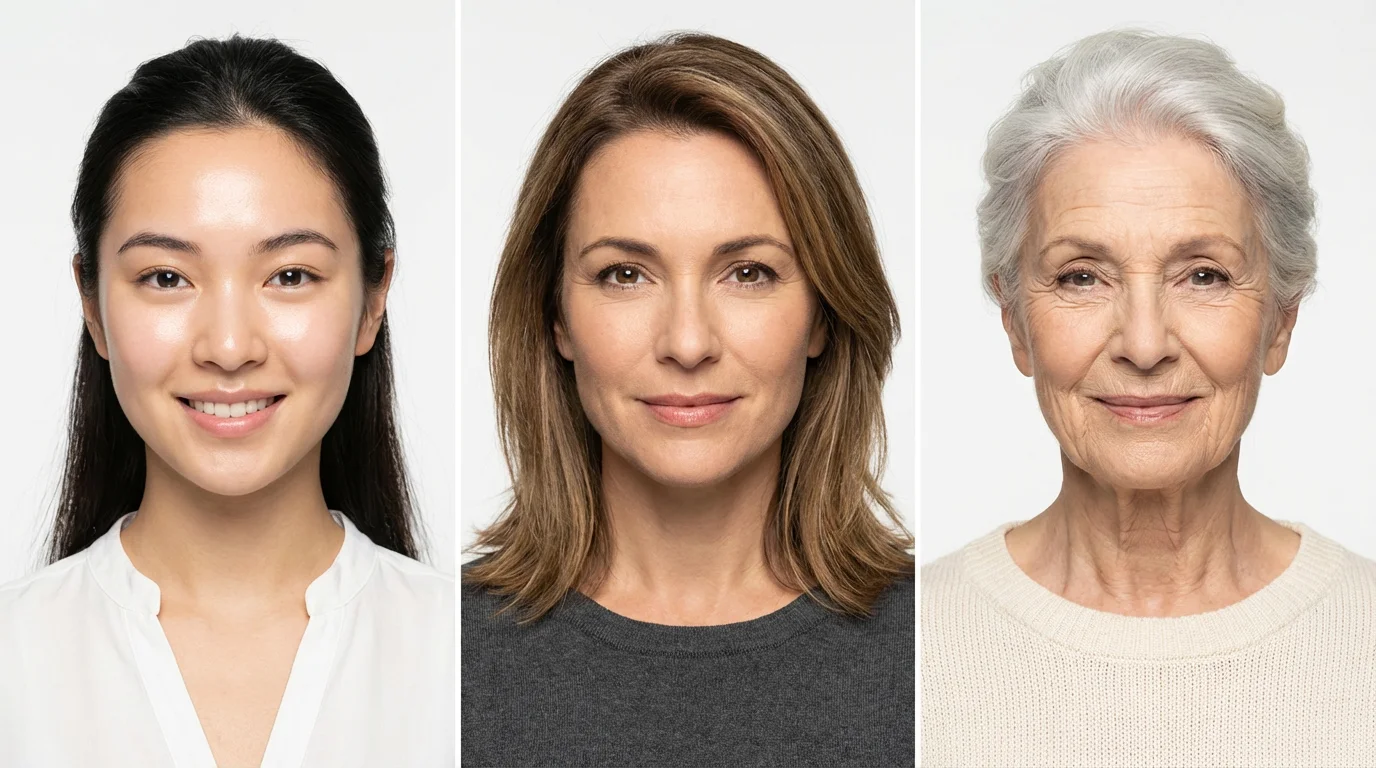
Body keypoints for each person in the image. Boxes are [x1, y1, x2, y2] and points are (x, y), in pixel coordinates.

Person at [921, 29, 1376, 768]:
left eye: (1203, 275)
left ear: (1280, 320)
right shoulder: (907, 648)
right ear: (1014, 321)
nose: (1143, 343)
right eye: (1080, 277)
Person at [461, 32, 914, 768]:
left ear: (824, 313)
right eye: (624, 275)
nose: (688, 341)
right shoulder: (432, 658)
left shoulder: (946, 652)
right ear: (554, 316)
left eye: (748, 273)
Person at [0, 36, 453, 768]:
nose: (231, 346)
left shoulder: (464, 659)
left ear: (374, 298)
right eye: (166, 278)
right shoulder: (13, 666)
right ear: (92, 305)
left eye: (291, 275)